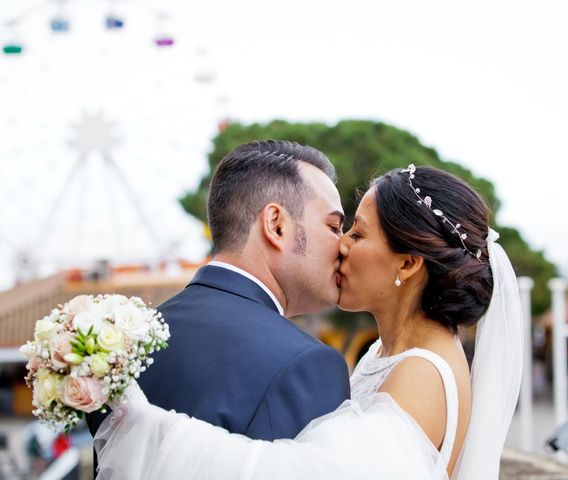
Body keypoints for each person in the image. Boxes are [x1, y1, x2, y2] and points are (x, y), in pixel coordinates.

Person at [95, 164, 523, 479]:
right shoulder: (389, 352)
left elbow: (305, 472)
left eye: (356, 233)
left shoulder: (423, 372)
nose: (341, 247)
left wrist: (148, 425)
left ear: (408, 264)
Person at [88, 140, 351, 471]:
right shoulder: (305, 364)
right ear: (277, 225)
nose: (343, 245)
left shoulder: (124, 344)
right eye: (333, 226)